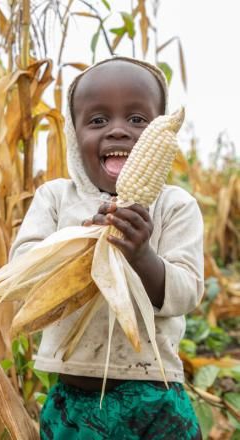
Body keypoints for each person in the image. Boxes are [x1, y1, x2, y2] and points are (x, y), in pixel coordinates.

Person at [10, 56, 204, 439]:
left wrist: (142, 255)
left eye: (137, 120)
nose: (118, 131)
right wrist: (81, 247)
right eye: (98, 120)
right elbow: (23, 273)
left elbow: (186, 291)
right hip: (74, 395)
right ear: (73, 133)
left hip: (154, 393)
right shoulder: (54, 199)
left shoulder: (174, 206)